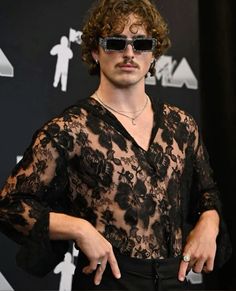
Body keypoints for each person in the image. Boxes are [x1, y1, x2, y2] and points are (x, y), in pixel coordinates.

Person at [0, 0, 232, 290]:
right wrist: (78, 228)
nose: (129, 53)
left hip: (177, 280)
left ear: (153, 54)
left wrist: (209, 222)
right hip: (109, 281)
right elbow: (10, 206)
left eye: (141, 43)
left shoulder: (181, 125)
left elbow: (207, 192)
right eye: (115, 42)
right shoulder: (70, 129)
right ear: (95, 52)